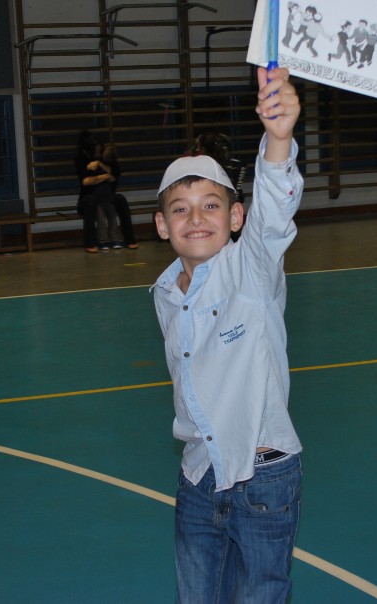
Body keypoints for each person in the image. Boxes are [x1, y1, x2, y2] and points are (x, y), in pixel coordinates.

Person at [152, 66, 303, 603]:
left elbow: (275, 217)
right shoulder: (165, 292)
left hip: (263, 478)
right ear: (162, 225)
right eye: (181, 209)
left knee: (259, 594)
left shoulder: (251, 271)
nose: (197, 218)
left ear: (235, 216)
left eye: (211, 205)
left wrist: (278, 138)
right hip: (197, 477)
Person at [75, 131, 121, 252]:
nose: (98, 152)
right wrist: (104, 177)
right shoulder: (83, 160)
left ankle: (115, 239)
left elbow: (114, 174)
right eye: (96, 150)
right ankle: (102, 241)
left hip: (107, 195)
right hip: (95, 196)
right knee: (100, 217)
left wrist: (101, 166)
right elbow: (86, 181)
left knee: (112, 216)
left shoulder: (103, 159)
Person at [101, 143, 139, 249]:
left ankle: (130, 239)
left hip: (110, 195)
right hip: (98, 195)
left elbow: (112, 176)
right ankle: (106, 239)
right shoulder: (96, 164)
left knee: (121, 200)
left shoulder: (114, 166)